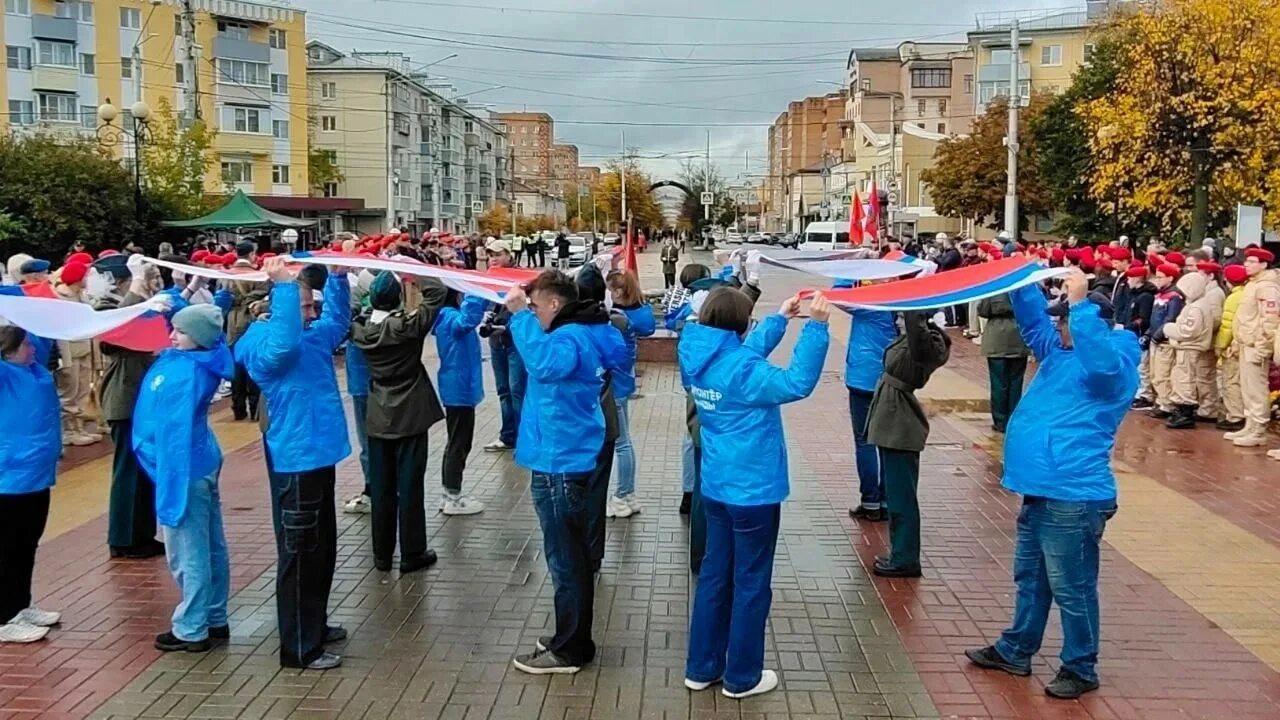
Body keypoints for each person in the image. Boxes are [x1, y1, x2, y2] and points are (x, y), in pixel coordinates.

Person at [967, 273, 1138, 700]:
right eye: (1061, 320)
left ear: (1091, 323)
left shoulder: (1113, 361)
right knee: (1032, 578)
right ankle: (1017, 648)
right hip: (1042, 488)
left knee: (1072, 587)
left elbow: (1100, 363)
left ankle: (1081, 666)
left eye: (1066, 321)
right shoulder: (1061, 353)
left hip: (1075, 496)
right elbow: (1032, 325)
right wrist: (1019, 278)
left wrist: (1078, 306)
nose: (1058, 327)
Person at [681, 288, 831, 699]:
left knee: (715, 576)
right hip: (753, 490)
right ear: (739, 325)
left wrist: (779, 319)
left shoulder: (696, 354)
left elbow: (739, 358)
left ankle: (701, 667)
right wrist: (816, 329)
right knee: (751, 582)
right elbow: (796, 382)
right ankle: (741, 677)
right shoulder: (741, 370)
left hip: (716, 485)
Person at [235, 257, 351, 670]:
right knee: (300, 553)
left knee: (321, 549)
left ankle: (314, 624)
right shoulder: (263, 344)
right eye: (304, 306)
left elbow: (338, 324)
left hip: (319, 454)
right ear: (279, 305)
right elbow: (282, 346)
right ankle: (300, 647)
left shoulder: (311, 335)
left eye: (311, 305)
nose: (312, 313)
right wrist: (285, 286)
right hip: (296, 460)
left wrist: (337, 280)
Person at [503, 271, 620, 675]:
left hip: (560, 463)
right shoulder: (575, 333)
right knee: (568, 556)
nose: (531, 313)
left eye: (536, 307)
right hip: (559, 456)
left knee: (566, 559)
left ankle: (570, 649)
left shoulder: (568, 339)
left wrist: (519, 316)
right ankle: (571, 638)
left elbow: (545, 365)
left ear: (554, 304)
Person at [132, 305, 235, 653]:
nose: (172, 336)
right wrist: (181, 296)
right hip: (202, 459)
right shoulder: (205, 357)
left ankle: (192, 627)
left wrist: (169, 487)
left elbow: (171, 435)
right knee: (211, 544)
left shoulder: (183, 375)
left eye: (180, 332)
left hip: (184, 469)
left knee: (188, 550)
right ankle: (214, 616)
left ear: (198, 338)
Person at [350, 272, 445, 571]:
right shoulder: (408, 326)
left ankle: (381, 554)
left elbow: (345, 313)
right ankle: (412, 552)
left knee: (381, 487)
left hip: (378, 411)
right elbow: (437, 293)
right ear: (398, 298)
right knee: (410, 486)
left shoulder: (360, 329)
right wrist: (415, 272)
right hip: (411, 412)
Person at [867, 310, 952, 578]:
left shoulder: (926, 344)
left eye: (905, 315)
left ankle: (905, 557)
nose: (899, 319)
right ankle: (900, 553)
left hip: (900, 424)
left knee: (901, 498)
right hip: (893, 420)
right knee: (896, 495)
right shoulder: (914, 339)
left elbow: (916, 328)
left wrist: (919, 301)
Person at [97, 255, 168, 560]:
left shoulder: (132, 302)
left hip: (141, 396)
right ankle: (123, 538)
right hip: (123, 397)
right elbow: (118, 332)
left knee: (142, 470)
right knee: (128, 471)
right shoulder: (105, 308)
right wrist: (138, 287)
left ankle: (141, 533)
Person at [0, 326, 62, 644]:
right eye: (25, 344)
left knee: (27, 545)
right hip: (10, 479)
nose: (32, 346)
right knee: (8, 548)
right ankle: (4, 618)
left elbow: (42, 323)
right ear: (8, 351)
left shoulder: (34, 370)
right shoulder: (5, 376)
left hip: (37, 475)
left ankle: (20, 605)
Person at [837, 279, 897, 522]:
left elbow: (838, 294)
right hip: (892, 379)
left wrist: (850, 270)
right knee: (887, 441)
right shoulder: (901, 303)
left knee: (865, 441)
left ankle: (870, 500)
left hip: (863, 378)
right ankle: (886, 499)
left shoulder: (869, 304)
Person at [433, 285, 490, 516]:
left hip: (457, 386)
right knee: (459, 442)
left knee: (457, 440)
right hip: (459, 388)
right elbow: (468, 319)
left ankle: (449, 491)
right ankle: (453, 494)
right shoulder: (450, 318)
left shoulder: (443, 317)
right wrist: (476, 289)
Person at [604, 271, 656, 519]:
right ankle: (629, 494)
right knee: (625, 442)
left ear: (618, 291)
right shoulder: (639, 312)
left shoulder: (616, 318)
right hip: (624, 379)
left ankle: (621, 495)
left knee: (621, 443)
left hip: (614, 381)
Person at [1227, 247, 1279, 448]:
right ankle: (1250, 424)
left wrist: (1263, 345)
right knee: (1247, 387)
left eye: (1252, 261)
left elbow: (1270, 319)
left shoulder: (1267, 287)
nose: (1246, 265)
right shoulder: (1253, 284)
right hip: (1245, 342)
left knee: (1256, 388)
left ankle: (1258, 429)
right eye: (1246, 261)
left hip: (1255, 344)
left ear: (1264, 264)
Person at [480, 240, 527, 452]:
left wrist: (505, 325)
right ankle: (508, 436)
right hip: (497, 344)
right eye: (490, 255)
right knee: (503, 391)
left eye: (498, 254)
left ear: (509, 255)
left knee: (517, 391)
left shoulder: (520, 280)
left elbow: (525, 311)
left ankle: (522, 437)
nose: (494, 259)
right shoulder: (489, 280)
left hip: (515, 344)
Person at [52, 261, 102, 446]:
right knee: (68, 392)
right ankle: (68, 431)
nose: (88, 279)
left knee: (81, 391)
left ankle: (79, 427)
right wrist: (64, 360)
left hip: (84, 349)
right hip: (70, 352)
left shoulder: (81, 296)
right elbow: (60, 331)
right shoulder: (59, 299)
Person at [1161, 272, 1214, 429]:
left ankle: (1185, 411)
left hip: (1190, 347)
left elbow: (1188, 331)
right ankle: (1182, 409)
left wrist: (1169, 329)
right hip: (1188, 347)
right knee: (1182, 377)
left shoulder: (1196, 308)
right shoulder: (1197, 304)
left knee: (1185, 379)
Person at [342, 270, 375, 515]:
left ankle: (372, 490)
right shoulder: (391, 319)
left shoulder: (358, 327)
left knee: (368, 441)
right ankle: (381, 488)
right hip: (376, 386)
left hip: (364, 386)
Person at [226, 241, 268, 421]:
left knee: (235, 367)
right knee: (252, 364)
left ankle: (238, 408)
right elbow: (266, 291)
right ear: (252, 254)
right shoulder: (257, 276)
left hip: (231, 323)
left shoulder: (226, 275)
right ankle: (255, 408)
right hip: (251, 319)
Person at [978, 293, 1031, 434]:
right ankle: (1013, 419)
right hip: (1019, 337)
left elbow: (982, 310)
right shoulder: (1024, 288)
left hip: (996, 340)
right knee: (1016, 382)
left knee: (998, 382)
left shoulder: (995, 289)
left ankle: (1000, 421)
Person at [1143, 263, 1185, 419]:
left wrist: (1157, 335)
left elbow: (1170, 318)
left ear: (1170, 278)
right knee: (1155, 373)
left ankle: (1166, 404)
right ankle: (1160, 400)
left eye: (1160, 277)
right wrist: (1148, 333)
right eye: (1156, 277)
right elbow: (1154, 318)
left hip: (1164, 341)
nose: (1157, 280)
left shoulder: (1174, 297)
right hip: (1155, 338)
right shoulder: (1160, 295)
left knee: (1163, 373)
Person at [1214, 264, 1249, 432]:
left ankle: (1235, 416)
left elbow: (1227, 326)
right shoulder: (1248, 293)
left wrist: (1219, 346)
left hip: (1233, 346)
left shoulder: (1233, 298)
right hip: (1245, 345)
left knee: (1231, 381)